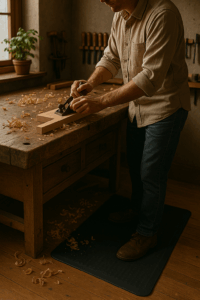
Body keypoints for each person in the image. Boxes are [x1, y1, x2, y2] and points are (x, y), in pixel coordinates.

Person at [70, 0, 191, 261]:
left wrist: (100, 101)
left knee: (151, 173)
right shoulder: (121, 14)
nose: (105, 3)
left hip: (165, 106)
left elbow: (150, 77)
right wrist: (90, 84)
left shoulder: (163, 14)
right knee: (135, 164)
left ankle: (147, 233)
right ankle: (139, 210)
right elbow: (111, 57)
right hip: (136, 105)